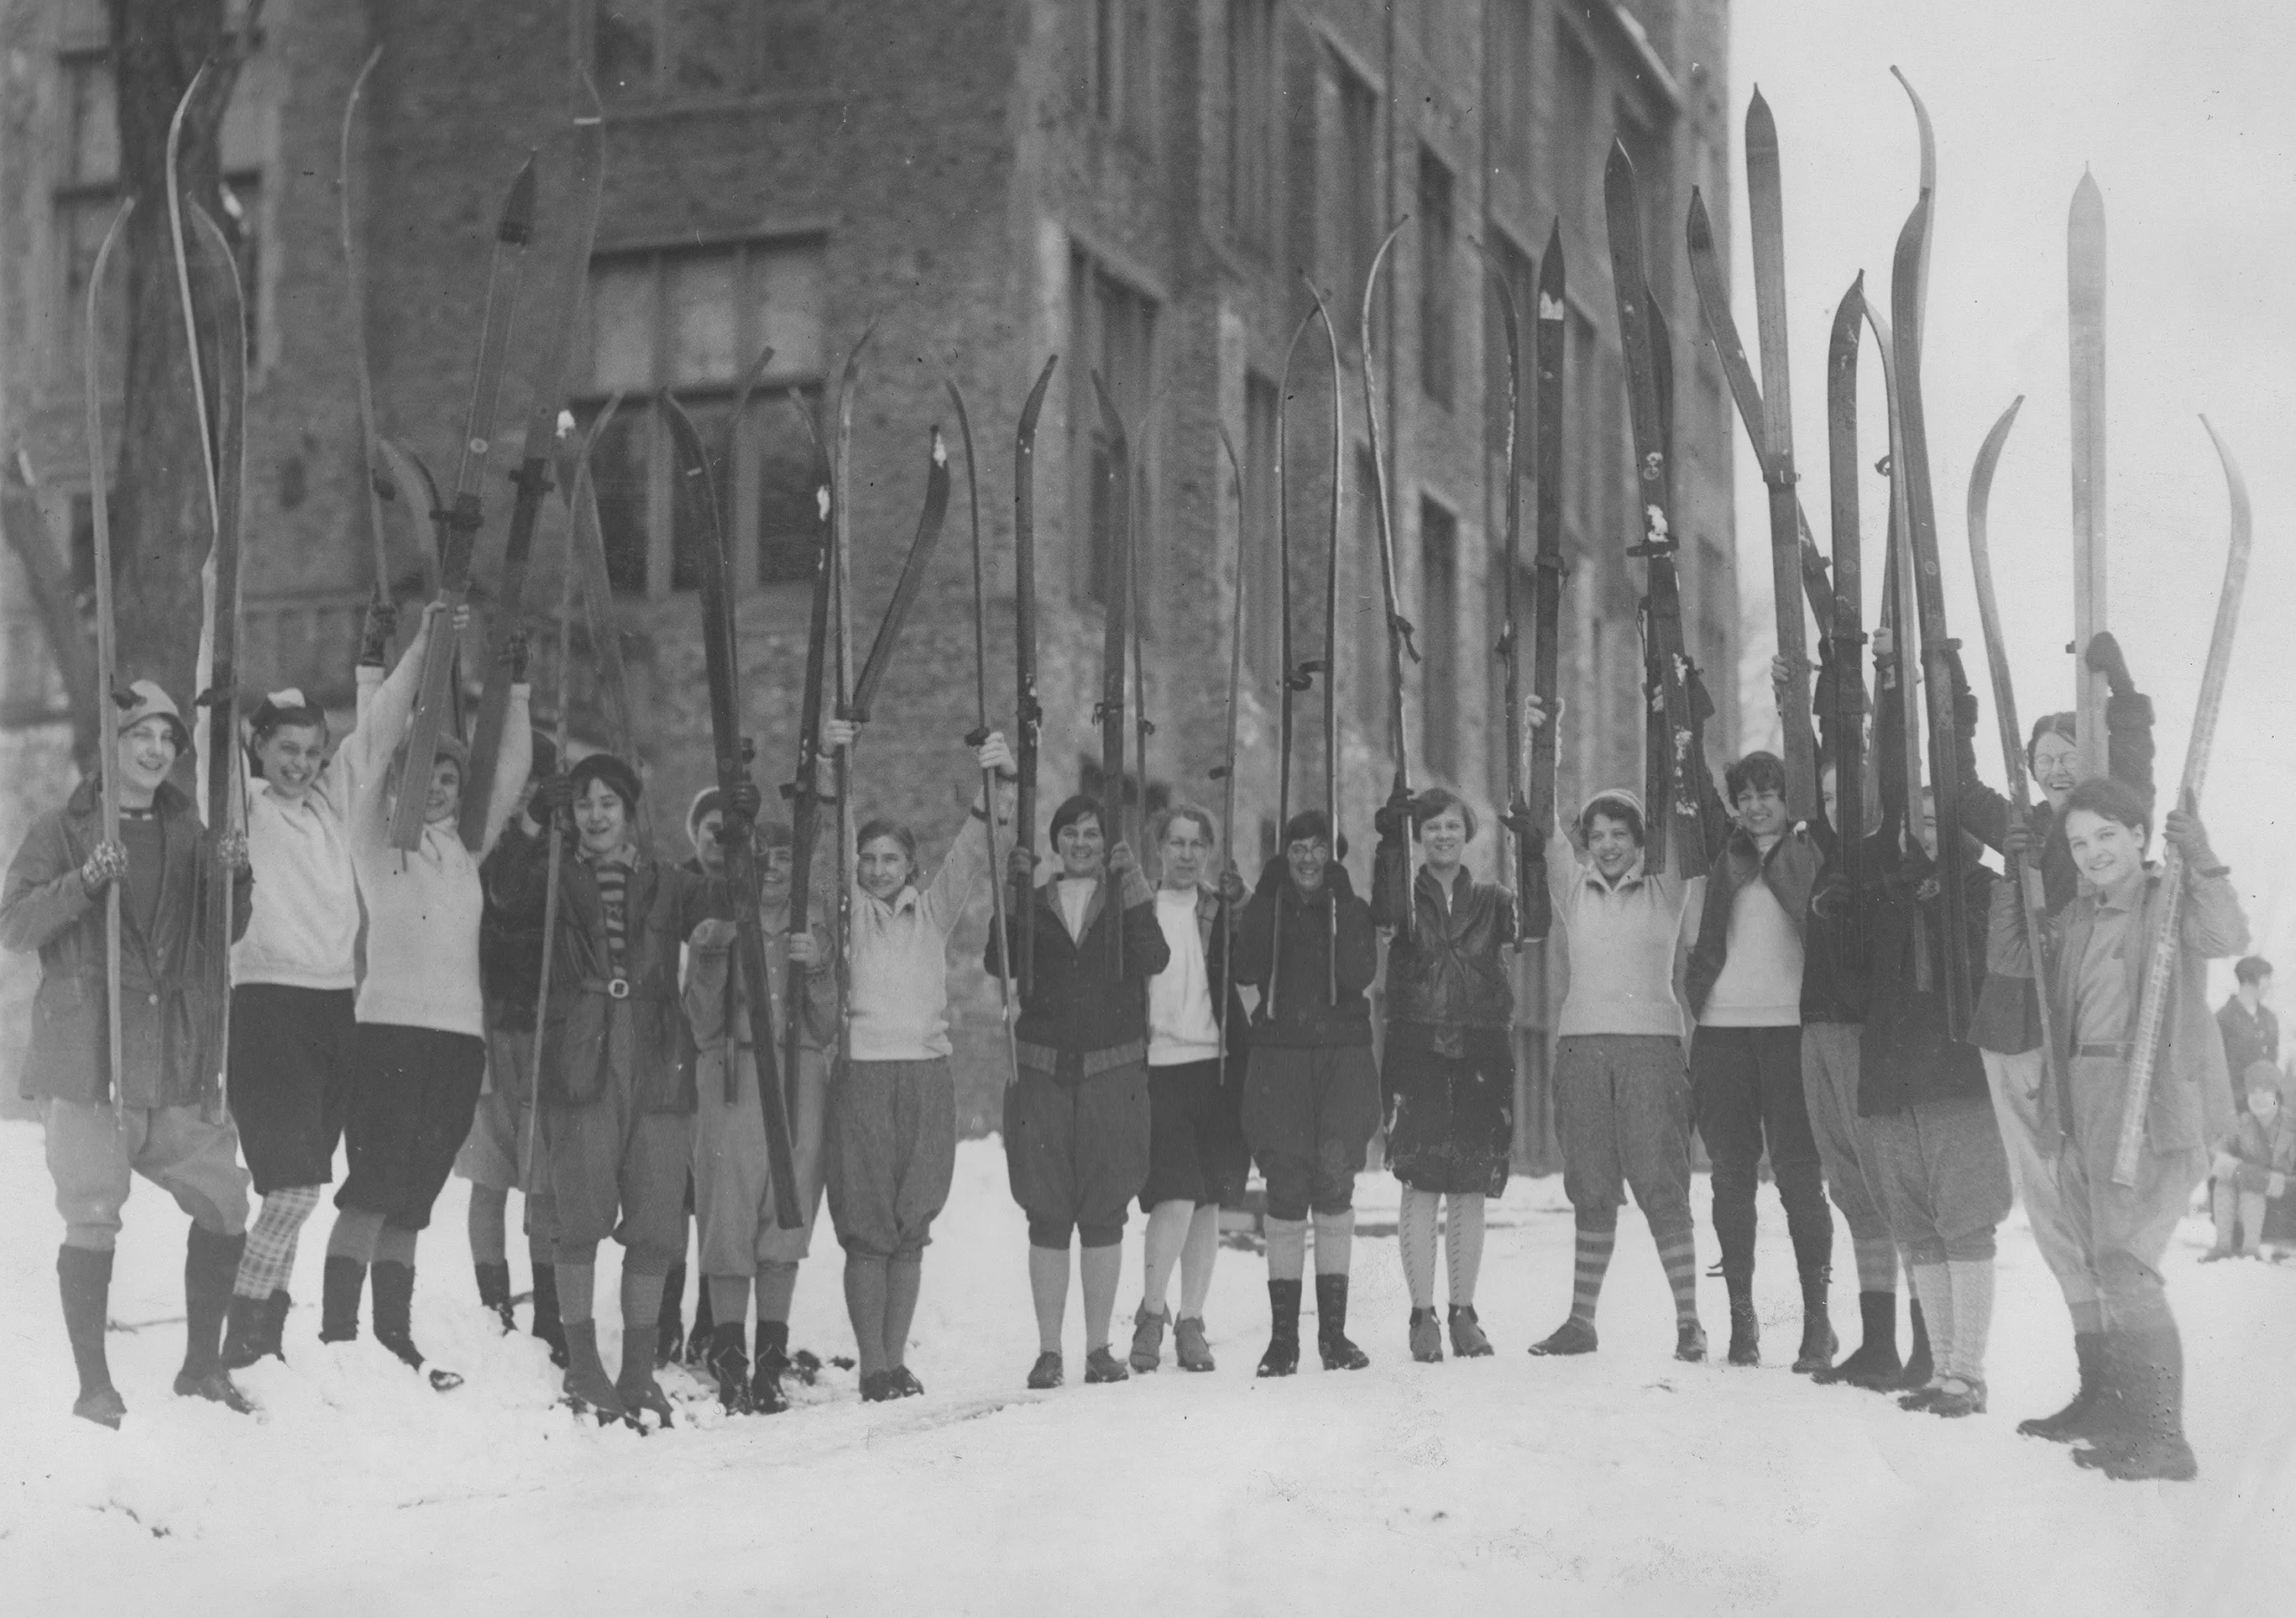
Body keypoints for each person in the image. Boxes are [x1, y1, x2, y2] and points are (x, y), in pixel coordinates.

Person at [3, 680, 254, 1425]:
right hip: (91, 1060)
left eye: (167, 739)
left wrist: (234, 876)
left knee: (226, 1202)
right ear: (112, 744)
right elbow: (14, 924)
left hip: (172, 1055)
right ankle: (94, 1386)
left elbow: (222, 934)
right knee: (91, 1214)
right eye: (140, 734)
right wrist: (84, 882)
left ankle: (201, 1368)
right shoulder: (63, 827)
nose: (154, 750)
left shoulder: (190, 831)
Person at [1989, 777, 2246, 1481]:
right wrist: (2016, 882)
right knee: (2107, 1266)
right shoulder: (2077, 916)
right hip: (2083, 1101)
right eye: (2078, 842)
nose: (2093, 851)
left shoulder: (2171, 903)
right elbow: (2012, 961)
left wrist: (2205, 859)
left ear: (2138, 834)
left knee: (2127, 1265)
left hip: (2155, 1102)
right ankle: (2131, 1424)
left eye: (2107, 834)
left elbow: (2227, 934)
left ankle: (2166, 1439)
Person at [498, 751, 746, 1425]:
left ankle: (637, 1371)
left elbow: (731, 900)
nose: (595, 814)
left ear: (630, 811)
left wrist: (739, 839)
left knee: (658, 1221)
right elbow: (506, 896)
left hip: (658, 1056)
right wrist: (531, 824)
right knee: (577, 1216)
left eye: (608, 802)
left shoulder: (667, 881)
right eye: (583, 803)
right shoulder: (552, 874)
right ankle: (583, 1363)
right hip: (580, 1056)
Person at [323, 603, 531, 1391]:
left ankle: (393, 1336)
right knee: (372, 1187)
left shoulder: (465, 853)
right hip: (390, 1035)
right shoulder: (379, 844)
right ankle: (340, 1338)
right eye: (427, 775)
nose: (439, 787)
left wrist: (517, 688)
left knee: (413, 1199)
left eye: (449, 776)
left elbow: (507, 769)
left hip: (457, 1041)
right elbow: (370, 746)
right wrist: (408, 653)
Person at [1956, 631, 2153, 1440]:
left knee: (2087, 1204)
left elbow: (2134, 765)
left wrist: (2119, 684)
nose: (2056, 768)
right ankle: (2093, 1384)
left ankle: (2127, 1393)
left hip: (2070, 1040)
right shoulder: (2023, 824)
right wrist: (1956, 697)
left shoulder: (2096, 830)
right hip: (2009, 1028)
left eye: (2069, 752)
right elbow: (1957, 783)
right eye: (2044, 757)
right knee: (2046, 1210)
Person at [1519, 695, 1710, 1362]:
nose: (1606, 844)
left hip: (1651, 1049)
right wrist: (1546, 739)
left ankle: (1689, 1320)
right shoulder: (1572, 890)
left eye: (1618, 834)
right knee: (1591, 1182)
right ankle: (1580, 1320)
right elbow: (1541, 822)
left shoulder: (1665, 887)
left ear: (1637, 841)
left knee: (1661, 1181)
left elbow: (1677, 810)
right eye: (1596, 834)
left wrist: (1666, 721)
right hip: (1581, 1047)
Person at [829, 720, 1011, 1400]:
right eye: (867, 858)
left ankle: (895, 1358)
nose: (877, 869)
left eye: (889, 859)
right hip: (865, 1077)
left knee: (910, 1225)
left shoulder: (930, 914)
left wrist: (997, 778)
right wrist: (836, 768)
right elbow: (832, 841)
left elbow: (970, 853)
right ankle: (871, 1363)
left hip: (926, 1077)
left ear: (909, 865)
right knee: (867, 1227)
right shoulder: (847, 914)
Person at [217, 668, 370, 1370]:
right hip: (268, 1002)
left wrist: (429, 638)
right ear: (257, 747)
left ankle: (262, 1342)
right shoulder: (242, 801)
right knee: (292, 1188)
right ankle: (240, 1335)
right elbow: (207, 739)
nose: (301, 764)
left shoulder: (329, 808)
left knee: (299, 1185)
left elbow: (382, 730)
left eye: (312, 751)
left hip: (334, 1007)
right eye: (287, 749)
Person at [991, 791, 1166, 1390]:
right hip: (1042, 1070)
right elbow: (998, 958)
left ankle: (1096, 1347)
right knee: (1045, 1210)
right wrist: (1012, 893)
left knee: (1103, 1209)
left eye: (1092, 834)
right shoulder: (1035, 902)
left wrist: (1133, 878)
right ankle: (1047, 1350)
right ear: (1054, 842)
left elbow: (1154, 954)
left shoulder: (1122, 902)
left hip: (1111, 1071)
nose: (1081, 844)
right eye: (1071, 834)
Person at [1856, 790, 2008, 1418]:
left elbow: (1979, 965)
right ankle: (1941, 1365)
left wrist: (1936, 899)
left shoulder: (1983, 888)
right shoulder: (1886, 890)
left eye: (1934, 820)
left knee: (1964, 1218)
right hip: (1891, 1079)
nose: (1920, 834)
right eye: (1910, 822)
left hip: (1955, 1073)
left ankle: (1967, 1372)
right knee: (1915, 1224)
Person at [1785, 649, 1911, 1392]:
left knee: (1884, 1181)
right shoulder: (1828, 851)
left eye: (1849, 795)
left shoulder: (1884, 852)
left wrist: (1883, 686)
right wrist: (1801, 693)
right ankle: (1876, 1343)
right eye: (1829, 797)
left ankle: (1917, 1346)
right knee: (1847, 1185)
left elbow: (1881, 755)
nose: (1837, 806)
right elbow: (1818, 751)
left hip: (1865, 1035)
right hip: (1816, 1035)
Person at [1684, 751, 1835, 1370]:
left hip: (1791, 1029)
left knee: (1800, 1174)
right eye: (1743, 794)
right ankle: (1741, 1323)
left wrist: (1791, 694)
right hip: (1721, 1029)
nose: (1754, 805)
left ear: (1788, 795)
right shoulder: (1723, 851)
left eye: (1767, 792)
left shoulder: (1810, 850)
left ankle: (1816, 1324)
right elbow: (1690, 783)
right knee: (1730, 1174)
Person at [684, 804, 837, 1413]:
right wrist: (713, 955)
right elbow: (700, 1024)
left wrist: (818, 968)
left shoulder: (815, 932)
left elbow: (826, 1024)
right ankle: (728, 1353)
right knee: (728, 1208)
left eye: (784, 860)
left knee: (787, 1209)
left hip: (798, 1073)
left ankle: (772, 1354)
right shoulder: (717, 924)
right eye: (761, 858)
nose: (773, 871)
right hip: (734, 1074)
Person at [1230, 809, 1381, 1377]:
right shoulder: (1266, 909)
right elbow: (1246, 969)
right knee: (1286, 1188)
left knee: (1334, 1183)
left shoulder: (1352, 911)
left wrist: (1342, 903)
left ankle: (1334, 1335)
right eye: (1297, 848)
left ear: (1333, 855)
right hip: (1280, 1059)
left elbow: (1356, 973)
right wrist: (1262, 899)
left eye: (1319, 848)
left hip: (1341, 1058)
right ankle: (1282, 1338)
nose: (1308, 859)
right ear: (1283, 854)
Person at [1371, 786, 1518, 1363]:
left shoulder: (1491, 898)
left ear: (1467, 831)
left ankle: (1462, 1311)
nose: (1441, 835)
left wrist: (1530, 851)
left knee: (1469, 1182)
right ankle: (1421, 1314)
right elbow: (1382, 912)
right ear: (1419, 836)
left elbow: (1534, 925)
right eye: (1429, 826)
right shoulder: (1403, 899)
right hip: (1417, 1045)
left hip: (1481, 1043)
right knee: (1422, 1179)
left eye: (1451, 825)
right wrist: (1387, 841)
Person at [1126, 804, 1251, 1375]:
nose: (1184, 853)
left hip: (1216, 1064)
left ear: (1208, 850)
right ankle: (1152, 1312)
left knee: (1207, 1200)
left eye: (1195, 843)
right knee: (1173, 1195)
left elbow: (1246, 969)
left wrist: (1241, 906)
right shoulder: (1139, 906)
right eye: (1174, 842)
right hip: (1156, 1065)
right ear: (1159, 848)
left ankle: (1192, 1318)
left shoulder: (1218, 907)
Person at [454, 729, 564, 1363]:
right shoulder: (482, 840)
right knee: (489, 1175)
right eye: (512, 780)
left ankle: (549, 1312)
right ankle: (493, 1308)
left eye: (533, 781)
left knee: (543, 1177)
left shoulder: (560, 841)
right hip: (492, 1026)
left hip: (545, 1027)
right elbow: (498, 890)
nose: (522, 794)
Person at [2203, 1064, 2293, 1260]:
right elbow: (2215, 1153)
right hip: (2247, 1205)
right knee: (2227, 1180)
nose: (2258, 1098)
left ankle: (2251, 1251)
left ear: (2277, 1094)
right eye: (2253, 1092)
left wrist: (2271, 1181)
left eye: (2265, 1091)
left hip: (2287, 1208)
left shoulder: (2292, 1127)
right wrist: (2241, 1170)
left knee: (2250, 1182)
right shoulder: (2242, 1124)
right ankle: (2223, 1246)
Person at [2217, 957, 2277, 1097]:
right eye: (2266, 978)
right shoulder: (2223, 1018)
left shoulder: (2269, 1019)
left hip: (2264, 1101)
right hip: (2233, 1099)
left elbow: (2272, 1061)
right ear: (2251, 980)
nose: (2270, 985)